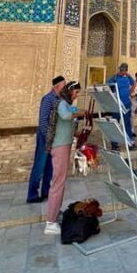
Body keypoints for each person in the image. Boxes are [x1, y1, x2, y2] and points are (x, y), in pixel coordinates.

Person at [44, 80, 82, 235]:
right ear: (70, 91)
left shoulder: (67, 104)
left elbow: (69, 124)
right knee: (58, 183)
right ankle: (50, 223)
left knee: (61, 182)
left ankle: (55, 213)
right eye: (76, 92)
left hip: (64, 146)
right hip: (59, 147)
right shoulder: (61, 104)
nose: (77, 95)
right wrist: (79, 113)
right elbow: (66, 116)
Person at [26, 75, 66, 204]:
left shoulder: (60, 100)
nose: (65, 88)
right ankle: (32, 195)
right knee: (39, 166)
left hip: (54, 138)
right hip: (45, 138)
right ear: (57, 86)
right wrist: (47, 138)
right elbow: (43, 120)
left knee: (50, 166)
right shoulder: (48, 99)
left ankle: (46, 192)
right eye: (63, 85)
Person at [107, 63, 136, 147]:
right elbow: (108, 86)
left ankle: (130, 143)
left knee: (127, 124)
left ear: (126, 70)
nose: (122, 72)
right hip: (117, 104)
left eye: (124, 71)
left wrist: (129, 92)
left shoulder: (128, 77)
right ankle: (114, 144)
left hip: (127, 104)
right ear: (119, 69)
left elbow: (134, 84)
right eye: (121, 71)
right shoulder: (114, 78)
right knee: (115, 123)